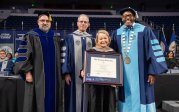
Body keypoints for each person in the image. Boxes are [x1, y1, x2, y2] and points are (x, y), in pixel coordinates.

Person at [111, 7, 168, 112]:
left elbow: (154, 52)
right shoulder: (117, 33)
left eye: (130, 15)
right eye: (125, 16)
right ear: (122, 18)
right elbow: (111, 54)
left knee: (143, 95)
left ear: (134, 17)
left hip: (143, 73)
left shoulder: (145, 31)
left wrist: (152, 72)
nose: (127, 17)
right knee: (125, 95)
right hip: (124, 74)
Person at [13, 12, 63, 112]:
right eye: (42, 20)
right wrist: (27, 72)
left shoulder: (56, 37)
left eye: (47, 21)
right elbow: (23, 56)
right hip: (37, 76)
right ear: (38, 22)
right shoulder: (31, 36)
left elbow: (62, 57)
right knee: (36, 101)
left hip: (54, 77)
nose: (45, 23)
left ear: (50, 23)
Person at [62, 14, 94, 112]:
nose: (83, 23)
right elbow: (64, 55)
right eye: (81, 21)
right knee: (72, 98)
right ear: (77, 23)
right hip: (73, 75)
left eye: (85, 22)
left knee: (88, 97)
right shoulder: (69, 38)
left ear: (88, 24)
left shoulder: (92, 39)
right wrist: (66, 73)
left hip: (89, 77)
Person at [80, 30, 116, 112]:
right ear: (96, 40)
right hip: (94, 87)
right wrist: (82, 72)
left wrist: (117, 80)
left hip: (109, 87)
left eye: (105, 38)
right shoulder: (91, 52)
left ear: (109, 39)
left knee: (108, 106)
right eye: (100, 39)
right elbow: (85, 68)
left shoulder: (113, 53)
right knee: (94, 106)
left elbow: (117, 71)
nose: (103, 40)